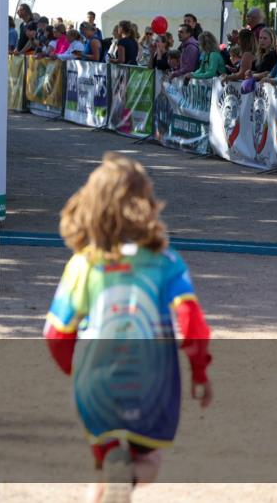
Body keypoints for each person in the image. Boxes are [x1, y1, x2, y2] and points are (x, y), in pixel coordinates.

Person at [43, 152, 212, 503]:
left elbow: (57, 332)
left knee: (105, 463)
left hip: (96, 379)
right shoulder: (166, 261)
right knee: (148, 460)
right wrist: (199, 371)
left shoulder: (84, 263)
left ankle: (115, 474)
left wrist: (74, 369)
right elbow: (191, 321)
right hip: (153, 379)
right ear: (147, 203)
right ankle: (132, 474)